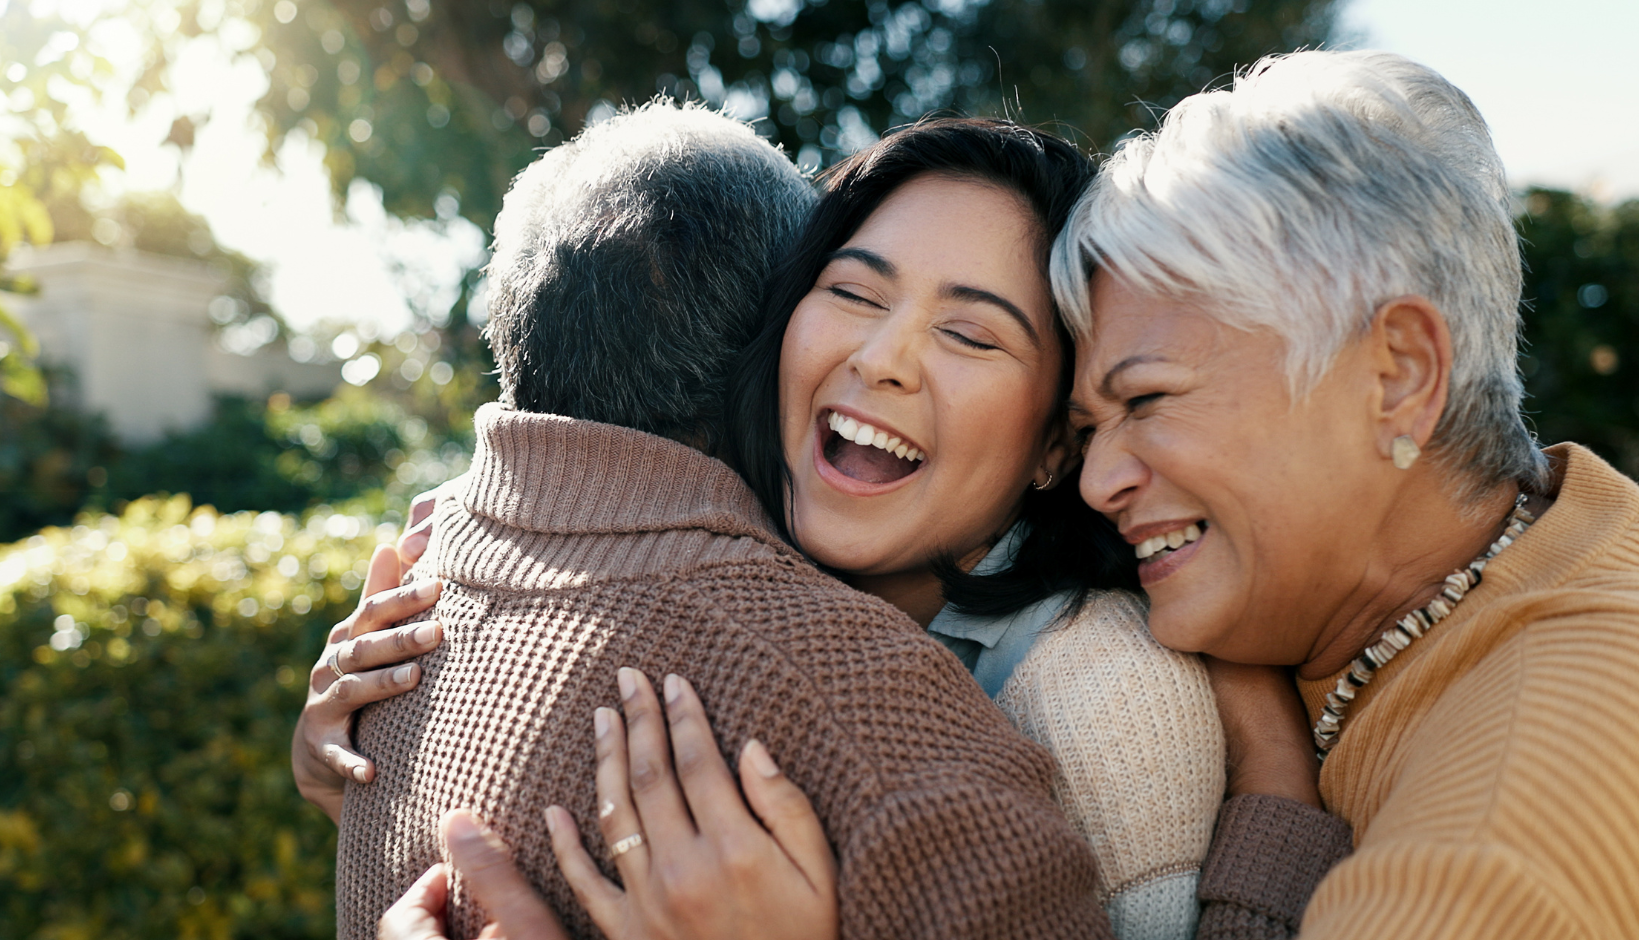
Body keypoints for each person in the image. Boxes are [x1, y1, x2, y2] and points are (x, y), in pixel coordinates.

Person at [309, 103, 1350, 940]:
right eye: (853, 292)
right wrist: (363, 751)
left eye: (971, 335)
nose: (885, 358)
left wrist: (1274, 796)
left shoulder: (1106, 699)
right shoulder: (703, 591)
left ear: (1053, 443)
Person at [1054, 49, 1639, 938]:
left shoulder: (1508, 826)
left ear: (1398, 376)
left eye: (1147, 399)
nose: (1098, 481)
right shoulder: (1550, 545)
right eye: (1088, 429)